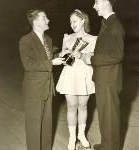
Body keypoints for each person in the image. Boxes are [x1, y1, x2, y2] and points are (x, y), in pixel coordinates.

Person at [19, 9, 65, 150]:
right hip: (33, 89)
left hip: (47, 88)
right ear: (36, 21)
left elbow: (51, 54)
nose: (48, 20)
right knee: (33, 128)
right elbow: (29, 65)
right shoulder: (25, 40)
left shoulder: (48, 40)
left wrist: (62, 53)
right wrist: (52, 62)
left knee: (47, 126)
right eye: (45, 18)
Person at [56, 9, 97, 150]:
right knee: (72, 106)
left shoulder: (93, 39)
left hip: (85, 74)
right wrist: (64, 53)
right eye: (70, 21)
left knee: (83, 106)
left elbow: (94, 60)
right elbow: (62, 57)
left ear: (83, 20)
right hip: (70, 74)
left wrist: (83, 56)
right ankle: (72, 137)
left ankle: (81, 135)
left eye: (74, 21)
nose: (72, 24)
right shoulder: (67, 37)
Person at [91, 0, 125, 150]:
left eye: (96, 2)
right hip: (103, 78)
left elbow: (117, 55)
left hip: (109, 80)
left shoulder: (115, 26)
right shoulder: (107, 24)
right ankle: (107, 145)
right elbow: (107, 52)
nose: (94, 6)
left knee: (110, 116)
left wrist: (91, 58)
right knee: (105, 114)